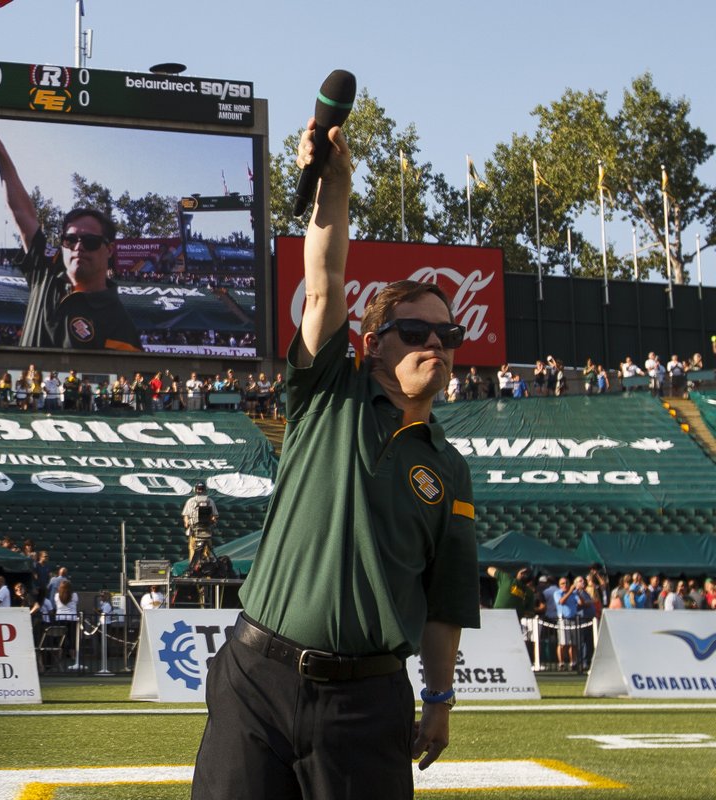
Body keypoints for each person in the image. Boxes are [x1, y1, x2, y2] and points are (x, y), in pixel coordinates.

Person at [192, 121, 479, 800]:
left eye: (449, 333)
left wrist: (438, 699)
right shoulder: (327, 394)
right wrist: (335, 188)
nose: (434, 342)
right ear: (374, 344)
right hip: (256, 680)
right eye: (415, 331)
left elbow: (445, 602)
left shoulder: (452, 470)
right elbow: (322, 282)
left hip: (370, 700)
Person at [0, 127, 140, 351]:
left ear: (109, 249)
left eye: (90, 241)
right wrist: (1, 156)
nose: (79, 247)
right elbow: (22, 213)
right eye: (70, 240)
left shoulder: (119, 322)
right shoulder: (47, 268)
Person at [181, 483, 219, 564]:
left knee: (207, 550)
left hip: (206, 529)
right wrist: (187, 522)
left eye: (201, 489)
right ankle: (192, 567)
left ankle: (206, 567)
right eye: (199, 489)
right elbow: (186, 515)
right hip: (194, 529)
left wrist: (213, 520)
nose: (200, 491)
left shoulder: (210, 501)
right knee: (192, 549)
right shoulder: (190, 501)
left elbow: (215, 515)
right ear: (195, 489)